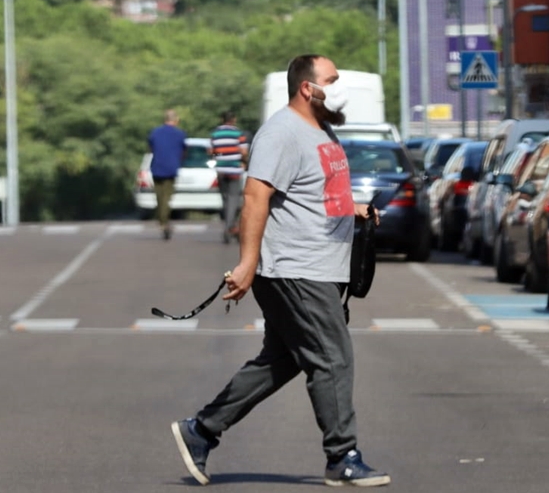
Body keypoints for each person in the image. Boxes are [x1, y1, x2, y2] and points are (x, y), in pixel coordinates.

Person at [170, 54, 388, 488]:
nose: (339, 86)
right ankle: (341, 455)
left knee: (283, 360)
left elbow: (314, 194)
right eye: (332, 79)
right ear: (308, 87)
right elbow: (255, 198)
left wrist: (354, 210)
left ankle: (202, 430)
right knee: (332, 357)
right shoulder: (282, 133)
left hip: (319, 265)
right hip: (295, 268)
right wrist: (248, 265)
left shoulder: (320, 129)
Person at [208, 111, 248, 244]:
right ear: (234, 120)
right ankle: (229, 227)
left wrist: (221, 156)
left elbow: (211, 151)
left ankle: (230, 226)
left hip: (220, 170)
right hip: (234, 169)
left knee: (225, 199)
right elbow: (243, 151)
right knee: (233, 199)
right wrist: (244, 161)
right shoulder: (238, 134)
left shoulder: (215, 134)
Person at [148, 109, 187, 240]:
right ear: (175, 120)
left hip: (157, 167)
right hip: (171, 168)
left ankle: (162, 220)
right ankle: (164, 222)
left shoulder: (155, 132)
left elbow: (151, 147)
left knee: (159, 196)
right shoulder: (179, 134)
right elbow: (183, 151)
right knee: (167, 197)